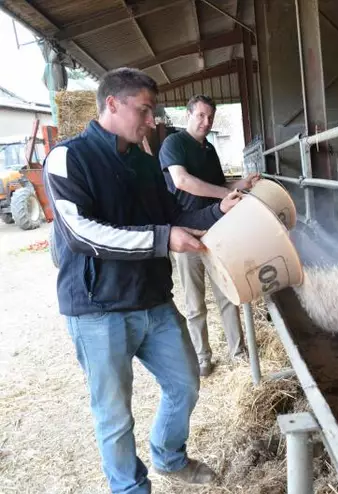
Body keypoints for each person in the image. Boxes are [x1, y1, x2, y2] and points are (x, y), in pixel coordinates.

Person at [43, 68, 242, 493]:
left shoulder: (143, 161)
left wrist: (218, 212)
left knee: (186, 383)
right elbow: (82, 234)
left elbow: (170, 216)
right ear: (112, 104)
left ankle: (169, 456)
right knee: (115, 415)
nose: (152, 120)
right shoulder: (68, 158)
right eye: (145, 109)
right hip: (98, 309)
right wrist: (162, 239)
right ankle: (130, 487)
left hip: (152, 300)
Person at [159, 94, 259, 377]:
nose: (206, 122)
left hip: (215, 230)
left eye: (210, 117)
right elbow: (183, 181)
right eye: (201, 115)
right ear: (188, 115)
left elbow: (217, 185)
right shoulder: (174, 144)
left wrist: (241, 184)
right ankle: (203, 357)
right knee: (194, 301)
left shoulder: (209, 149)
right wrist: (227, 195)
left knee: (228, 292)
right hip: (187, 232)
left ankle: (237, 351)